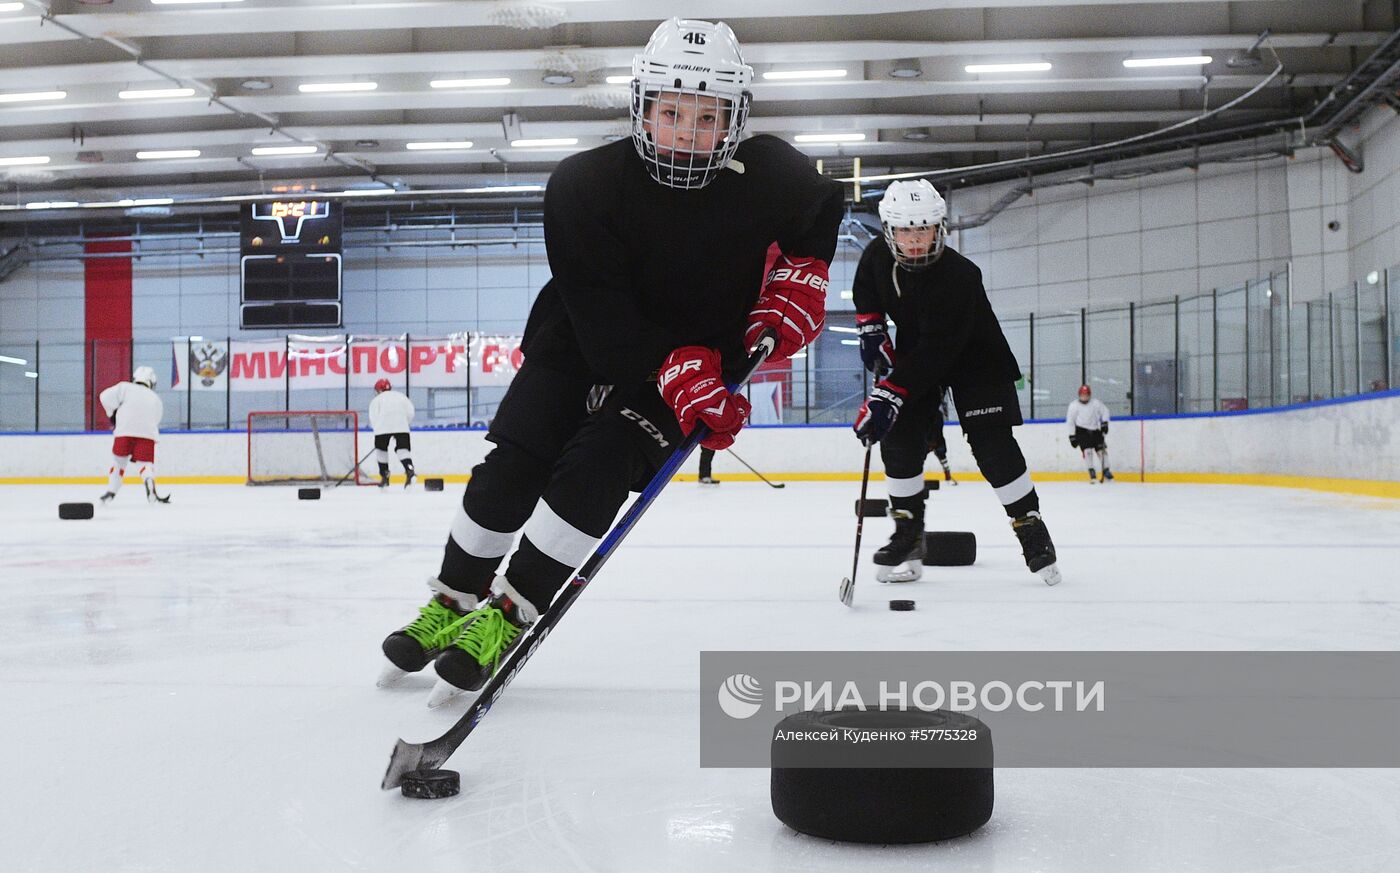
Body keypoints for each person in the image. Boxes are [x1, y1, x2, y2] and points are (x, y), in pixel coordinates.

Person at [378, 17, 844, 704]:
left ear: (735, 118)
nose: (686, 132)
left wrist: (803, 276)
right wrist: (671, 364)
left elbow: (823, 208)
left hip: (698, 358)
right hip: (584, 337)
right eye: (671, 112)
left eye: (707, 117)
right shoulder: (584, 184)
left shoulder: (773, 172)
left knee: (595, 468)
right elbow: (599, 311)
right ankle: (452, 598)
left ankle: (510, 611)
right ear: (643, 107)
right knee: (514, 464)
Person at [852, 179, 1060, 586]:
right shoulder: (876, 255)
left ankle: (1030, 528)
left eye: (924, 229)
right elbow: (866, 290)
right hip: (918, 353)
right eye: (905, 231)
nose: (915, 240)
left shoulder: (960, 275)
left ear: (939, 228)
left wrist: (890, 393)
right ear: (890, 230)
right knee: (899, 437)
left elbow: (940, 349)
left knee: (992, 445)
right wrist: (871, 328)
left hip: (976, 358)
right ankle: (908, 533)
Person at [98, 366, 167, 505]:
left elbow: (104, 397)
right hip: (147, 433)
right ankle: (148, 480)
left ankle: (111, 491)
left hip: (125, 430)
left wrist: (112, 414)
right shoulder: (155, 398)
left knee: (119, 462)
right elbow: (157, 418)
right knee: (145, 464)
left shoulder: (125, 387)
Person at [369, 378, 417, 488]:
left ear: (379, 390)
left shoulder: (377, 400)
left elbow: (373, 417)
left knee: (381, 450)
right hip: (401, 426)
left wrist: (378, 430)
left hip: (382, 428)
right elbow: (410, 412)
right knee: (403, 450)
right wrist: (404, 424)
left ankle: (385, 476)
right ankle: (409, 469)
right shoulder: (401, 396)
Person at [1067, 384, 1112, 483]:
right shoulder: (1074, 405)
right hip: (1081, 431)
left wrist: (1105, 423)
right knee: (1087, 452)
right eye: (1083, 394)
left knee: (1101, 451)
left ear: (1089, 395)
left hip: (1095, 430)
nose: (1084, 396)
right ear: (1079, 395)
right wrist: (1072, 436)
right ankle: (1092, 472)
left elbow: (1105, 411)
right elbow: (1070, 421)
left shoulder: (1096, 403)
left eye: (1086, 394)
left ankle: (1106, 470)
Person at [927, 391, 957, 485]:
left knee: (943, 456)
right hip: (927, 440)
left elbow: (938, 429)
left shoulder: (938, 415)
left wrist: (933, 442)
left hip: (936, 440)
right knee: (916, 459)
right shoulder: (931, 414)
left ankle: (948, 477)